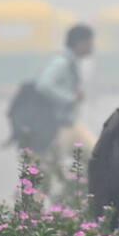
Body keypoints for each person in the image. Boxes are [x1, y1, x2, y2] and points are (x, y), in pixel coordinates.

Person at [36, 23, 97, 162]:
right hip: (58, 126)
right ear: (79, 43)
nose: (92, 46)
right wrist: (70, 98)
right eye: (89, 42)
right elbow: (44, 85)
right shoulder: (62, 62)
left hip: (69, 123)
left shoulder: (72, 62)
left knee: (96, 156)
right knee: (52, 166)